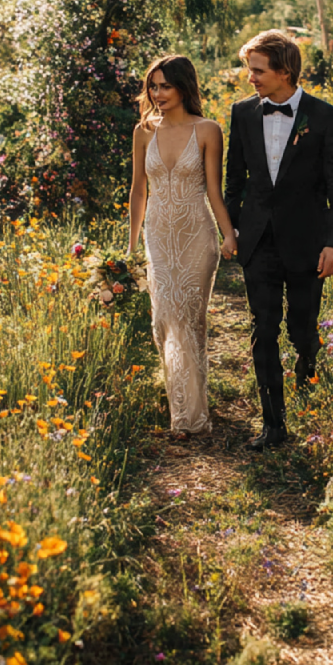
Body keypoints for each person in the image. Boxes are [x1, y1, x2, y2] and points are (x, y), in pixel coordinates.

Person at [224, 30, 333, 451]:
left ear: (284, 71)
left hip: (307, 242)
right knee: (263, 328)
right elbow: (234, 180)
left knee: (302, 329)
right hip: (258, 240)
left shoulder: (326, 116)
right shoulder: (242, 114)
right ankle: (273, 424)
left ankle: (307, 373)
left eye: (258, 71)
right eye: (250, 70)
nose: (251, 78)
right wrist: (232, 230)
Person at [128, 55, 238, 439]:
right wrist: (131, 247)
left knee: (189, 320)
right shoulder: (144, 131)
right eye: (153, 87)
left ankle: (191, 417)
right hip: (158, 236)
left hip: (196, 236)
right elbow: (138, 191)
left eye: (166, 86)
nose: (157, 94)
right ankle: (182, 405)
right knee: (163, 320)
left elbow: (214, 190)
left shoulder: (208, 130)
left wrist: (228, 234)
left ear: (184, 87)